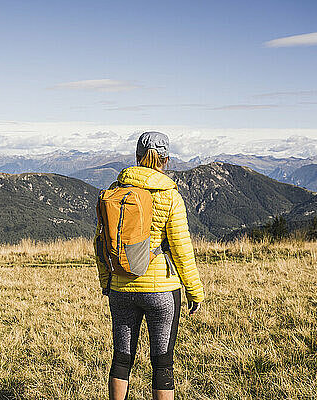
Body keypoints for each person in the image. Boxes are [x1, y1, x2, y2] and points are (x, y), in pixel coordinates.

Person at [94, 131, 204, 400]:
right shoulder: (169, 195)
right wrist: (194, 291)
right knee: (163, 362)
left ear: (137, 156)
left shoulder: (115, 190)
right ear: (165, 159)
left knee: (121, 358)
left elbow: (101, 242)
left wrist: (106, 280)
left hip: (121, 286)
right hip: (161, 291)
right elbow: (181, 248)